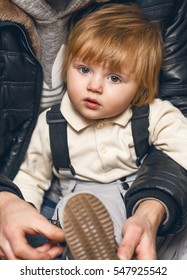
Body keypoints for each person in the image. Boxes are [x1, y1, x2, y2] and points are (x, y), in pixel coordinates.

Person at [0, 0, 187, 260]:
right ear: (67, 66)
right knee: (79, 210)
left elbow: (183, 147)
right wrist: (25, 208)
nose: (94, 86)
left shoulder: (153, 113)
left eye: (114, 78)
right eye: (84, 69)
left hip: (141, 192)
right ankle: (96, 255)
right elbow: (31, 176)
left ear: (140, 87)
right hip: (84, 197)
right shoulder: (51, 123)